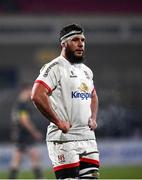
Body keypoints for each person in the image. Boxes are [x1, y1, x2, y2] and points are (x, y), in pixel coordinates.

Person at [31, 24, 100, 179]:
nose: (81, 43)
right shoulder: (55, 67)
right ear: (63, 43)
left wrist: (93, 118)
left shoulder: (86, 71)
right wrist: (58, 121)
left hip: (88, 138)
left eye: (82, 40)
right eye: (75, 39)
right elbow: (37, 95)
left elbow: (93, 95)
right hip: (64, 141)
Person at [8, 83, 43, 179]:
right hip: (23, 134)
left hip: (19, 133)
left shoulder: (18, 104)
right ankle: (40, 178)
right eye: (30, 91)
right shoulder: (22, 105)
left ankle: (11, 178)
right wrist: (34, 132)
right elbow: (24, 120)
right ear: (25, 90)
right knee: (33, 155)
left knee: (18, 158)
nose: (31, 93)